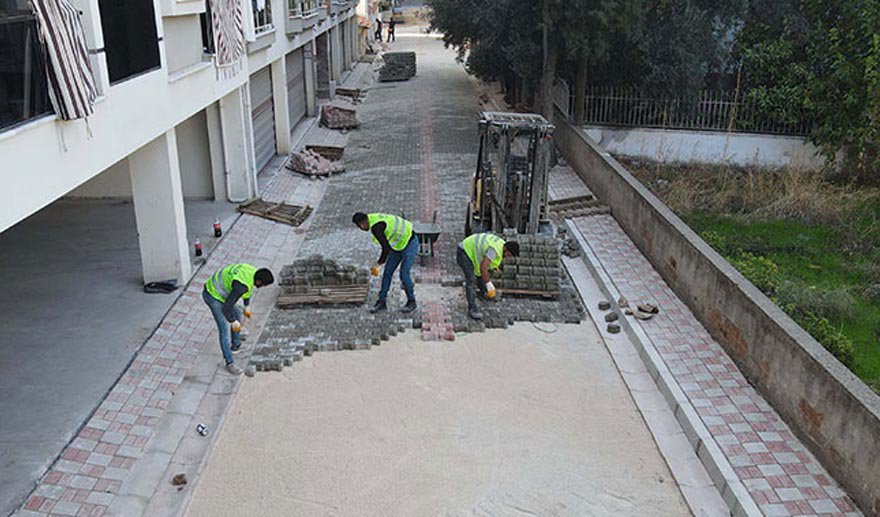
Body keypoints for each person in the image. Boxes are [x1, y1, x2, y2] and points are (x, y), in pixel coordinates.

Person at [202, 263, 274, 375]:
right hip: (212, 295)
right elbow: (226, 308)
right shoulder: (241, 286)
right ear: (259, 281)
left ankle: (236, 345)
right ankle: (229, 363)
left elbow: (248, 290)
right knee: (224, 329)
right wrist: (233, 321)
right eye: (264, 285)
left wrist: (246, 305)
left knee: (238, 313)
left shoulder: (252, 272)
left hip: (222, 292)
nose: (262, 287)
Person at [352, 212, 418, 314]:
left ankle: (411, 301)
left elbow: (386, 248)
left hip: (410, 242)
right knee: (387, 273)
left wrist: (379, 263)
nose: (360, 228)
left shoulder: (376, 227)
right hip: (398, 245)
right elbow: (387, 245)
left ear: (362, 224)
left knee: (404, 274)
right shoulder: (372, 218)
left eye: (359, 226)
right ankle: (381, 302)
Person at [457, 233, 519, 320]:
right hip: (464, 252)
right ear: (506, 249)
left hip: (470, 250)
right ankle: (472, 309)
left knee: (483, 275)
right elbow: (483, 267)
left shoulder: (501, 244)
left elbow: (485, 268)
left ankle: (484, 294)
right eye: (508, 255)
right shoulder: (494, 250)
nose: (507, 257)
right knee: (471, 281)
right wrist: (489, 284)